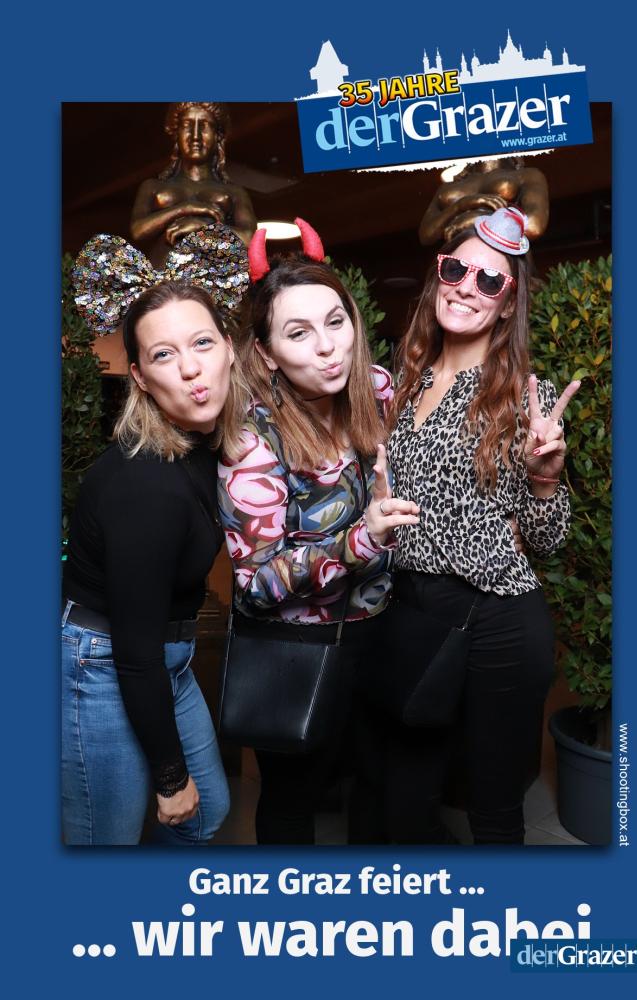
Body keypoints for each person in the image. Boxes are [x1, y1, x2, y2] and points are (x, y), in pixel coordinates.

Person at [374, 206, 580, 845]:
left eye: (489, 280)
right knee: (403, 802)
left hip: (498, 619)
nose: (467, 287)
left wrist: (544, 480)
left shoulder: (524, 395)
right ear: (438, 274)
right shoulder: (405, 381)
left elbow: (547, 541)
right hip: (414, 610)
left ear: (507, 301)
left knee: (492, 808)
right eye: (456, 270)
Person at [217, 218, 419, 844]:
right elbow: (253, 585)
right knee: (291, 801)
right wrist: (362, 540)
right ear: (266, 353)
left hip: (380, 631)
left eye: (336, 322)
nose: (328, 347)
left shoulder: (377, 392)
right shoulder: (251, 440)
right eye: (298, 333)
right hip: (295, 649)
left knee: (380, 786)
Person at [62, 226, 249, 845]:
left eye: (202, 342)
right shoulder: (146, 486)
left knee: (207, 811)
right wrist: (169, 777)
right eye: (164, 355)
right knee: (106, 845)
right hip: (103, 661)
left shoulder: (207, 442)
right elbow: (133, 649)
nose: (191, 368)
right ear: (140, 377)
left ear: (229, 349)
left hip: (167, 656)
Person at [131, 102, 256, 267]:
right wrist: (185, 208)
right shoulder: (153, 187)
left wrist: (204, 227)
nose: (195, 136)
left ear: (217, 136)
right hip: (163, 275)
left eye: (205, 125)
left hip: (212, 276)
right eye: (187, 125)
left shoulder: (234, 192)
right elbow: (138, 230)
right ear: (177, 134)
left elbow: (250, 238)